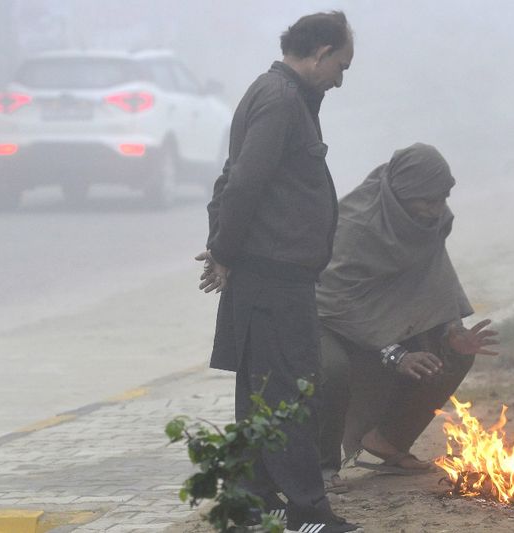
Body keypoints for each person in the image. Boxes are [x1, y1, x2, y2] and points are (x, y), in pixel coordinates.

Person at [195, 11, 358, 533]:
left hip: (272, 276)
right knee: (288, 396)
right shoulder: (281, 99)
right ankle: (307, 513)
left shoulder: (285, 97)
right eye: (340, 65)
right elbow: (242, 181)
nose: (340, 78)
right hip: (272, 278)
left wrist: (223, 246)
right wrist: (223, 249)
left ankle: (254, 505)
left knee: (264, 395)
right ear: (320, 52)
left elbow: (234, 175)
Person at [314, 143, 499, 487]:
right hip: (326, 318)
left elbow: (434, 273)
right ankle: (321, 467)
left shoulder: (429, 220)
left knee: (452, 357)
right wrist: (395, 353)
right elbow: (332, 300)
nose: (436, 210)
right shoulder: (356, 227)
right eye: (427, 201)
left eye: (442, 199)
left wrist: (452, 328)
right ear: (401, 194)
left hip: (381, 316)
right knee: (332, 370)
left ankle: (387, 439)